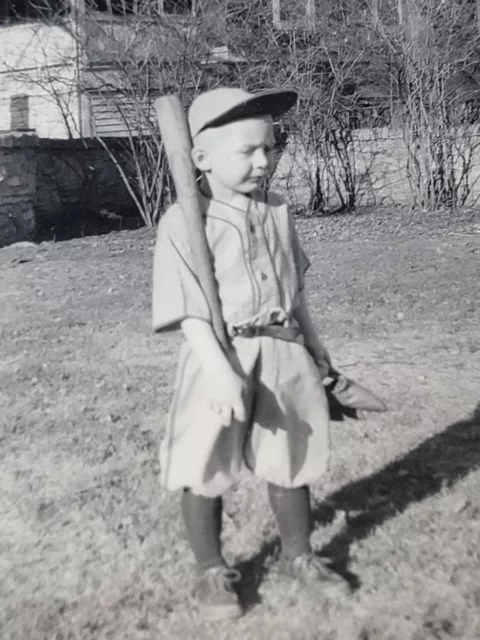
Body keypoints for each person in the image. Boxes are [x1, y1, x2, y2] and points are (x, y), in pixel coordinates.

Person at [152, 87, 355, 622]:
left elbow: (297, 288)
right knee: (205, 460)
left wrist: (314, 343)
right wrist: (220, 374)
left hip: (283, 350)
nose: (263, 161)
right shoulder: (183, 222)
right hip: (218, 355)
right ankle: (211, 569)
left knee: (291, 458)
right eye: (247, 151)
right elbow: (190, 311)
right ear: (201, 158)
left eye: (269, 148)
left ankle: (299, 556)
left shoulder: (278, 211)